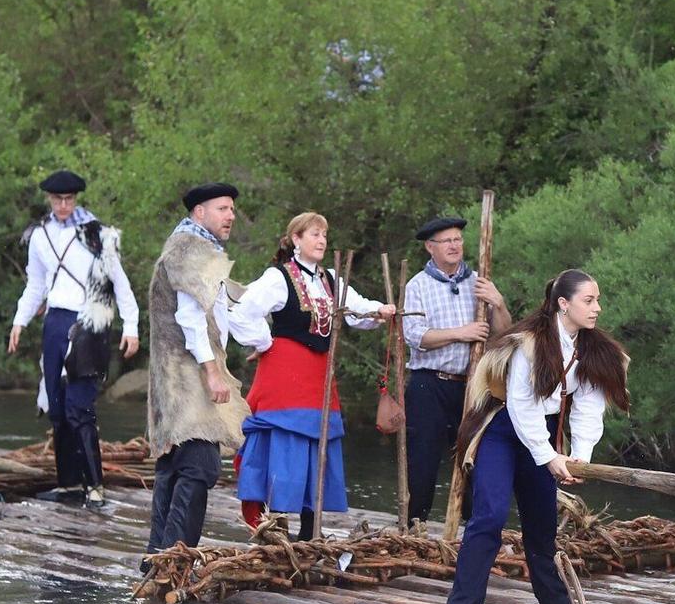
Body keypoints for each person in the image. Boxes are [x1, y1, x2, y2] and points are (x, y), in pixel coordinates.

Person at [443, 269, 630, 604]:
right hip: (503, 431)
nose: (597, 309)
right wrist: (549, 457)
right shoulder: (528, 343)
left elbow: (589, 407)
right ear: (564, 304)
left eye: (597, 300)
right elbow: (521, 406)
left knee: (542, 526)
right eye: (588, 301)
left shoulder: (593, 348)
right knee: (490, 516)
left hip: (543, 434)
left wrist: (580, 458)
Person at [229, 212, 395, 541]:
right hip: (284, 372)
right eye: (314, 234)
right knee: (281, 444)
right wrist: (264, 342)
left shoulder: (331, 278)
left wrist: (380, 310)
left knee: (317, 446)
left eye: (324, 235)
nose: (321, 241)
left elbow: (356, 309)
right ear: (296, 240)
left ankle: (309, 534)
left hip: (319, 374)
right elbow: (241, 311)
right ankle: (272, 530)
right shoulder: (278, 277)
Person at [8, 170, 139, 506]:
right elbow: (35, 284)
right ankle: (67, 484)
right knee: (56, 406)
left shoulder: (98, 234)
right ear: (50, 200)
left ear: (76, 198)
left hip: (90, 323)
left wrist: (131, 326)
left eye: (69, 199)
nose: (64, 205)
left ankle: (95, 487)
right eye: (58, 199)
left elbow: (119, 282)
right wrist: (20, 321)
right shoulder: (39, 235)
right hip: (55, 320)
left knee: (79, 407)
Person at [146, 183, 250, 556]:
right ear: (199, 212)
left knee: (174, 464)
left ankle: (157, 557)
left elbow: (223, 308)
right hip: (186, 372)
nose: (231, 215)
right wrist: (211, 371)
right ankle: (175, 557)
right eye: (223, 208)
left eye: (232, 209)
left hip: (174, 373)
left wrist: (261, 342)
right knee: (200, 466)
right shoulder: (190, 249)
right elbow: (190, 318)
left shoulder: (191, 246)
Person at [400, 214, 509, 524]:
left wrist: (498, 304)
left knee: (475, 459)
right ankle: (413, 529)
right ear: (430, 247)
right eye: (446, 241)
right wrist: (461, 332)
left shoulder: (480, 282)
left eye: (458, 240)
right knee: (422, 463)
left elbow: (503, 334)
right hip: (429, 385)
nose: (454, 245)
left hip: (471, 385)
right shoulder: (417, 286)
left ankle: (475, 533)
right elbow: (414, 335)